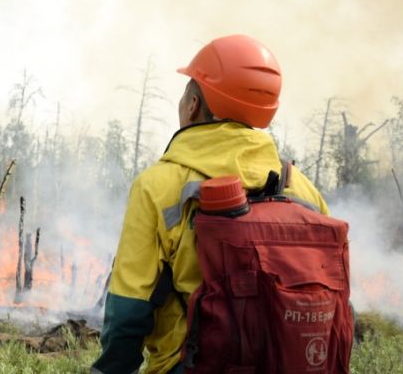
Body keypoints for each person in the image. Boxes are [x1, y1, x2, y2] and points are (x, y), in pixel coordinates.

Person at [91, 35, 330, 374]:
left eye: (185, 94)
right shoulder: (302, 189)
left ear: (192, 105)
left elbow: (129, 309)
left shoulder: (158, 186)